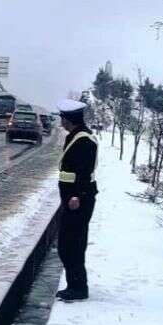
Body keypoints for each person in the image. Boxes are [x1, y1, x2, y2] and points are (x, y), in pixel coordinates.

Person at [55, 98, 98, 302]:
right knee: (70, 243)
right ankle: (75, 284)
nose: (61, 121)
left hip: (78, 200)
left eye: (62, 117)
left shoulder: (84, 140)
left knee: (70, 244)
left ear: (69, 119)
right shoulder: (76, 136)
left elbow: (84, 170)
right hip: (73, 199)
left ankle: (79, 288)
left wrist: (76, 195)